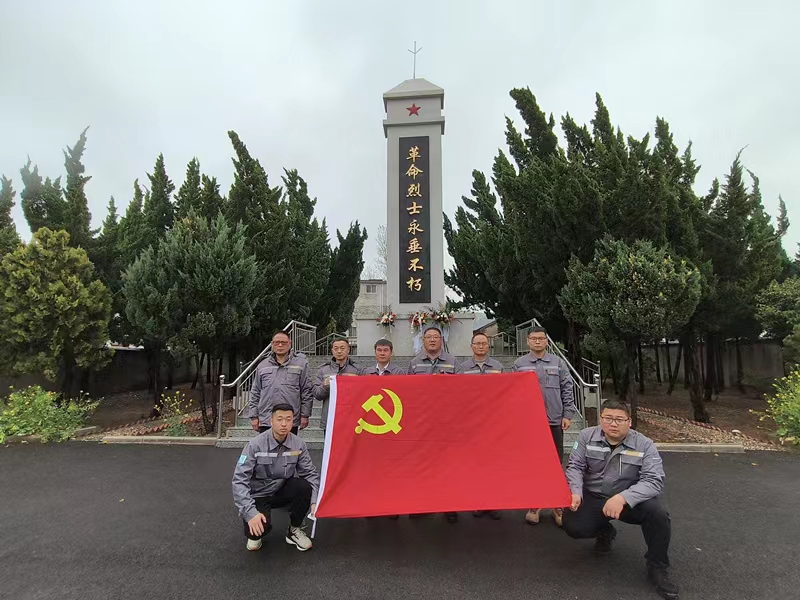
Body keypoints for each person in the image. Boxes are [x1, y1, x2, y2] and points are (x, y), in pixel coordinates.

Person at [562, 400, 678, 600]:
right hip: (594, 496)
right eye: (608, 418)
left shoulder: (645, 444)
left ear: (629, 421)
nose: (613, 424)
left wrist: (623, 498)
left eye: (619, 419)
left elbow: (653, 480)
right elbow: (575, 466)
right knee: (573, 525)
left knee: (658, 515)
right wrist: (575, 491)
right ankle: (605, 531)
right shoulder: (585, 436)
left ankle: (657, 567)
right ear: (600, 419)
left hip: (629, 499)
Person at [232, 403, 319, 553]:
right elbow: (239, 480)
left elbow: (310, 474)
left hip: (281, 490)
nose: (284, 424)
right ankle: (256, 528)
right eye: (279, 419)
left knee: (304, 487)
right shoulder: (254, 445)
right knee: (257, 534)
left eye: (288, 419)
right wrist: (250, 513)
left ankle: (294, 530)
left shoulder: (299, 444)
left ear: (293, 421)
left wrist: (315, 501)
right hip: (259, 494)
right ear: (271, 421)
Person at [512, 326, 577, 526]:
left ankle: (557, 505)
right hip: (530, 423)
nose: (538, 341)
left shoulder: (557, 362)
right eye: (534, 338)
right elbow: (513, 394)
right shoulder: (519, 364)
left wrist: (568, 414)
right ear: (528, 341)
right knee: (534, 464)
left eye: (541, 338)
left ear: (547, 341)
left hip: (554, 420)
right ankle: (536, 504)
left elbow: (567, 388)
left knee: (555, 463)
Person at [408, 325, 458, 523]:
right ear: (423, 341)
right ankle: (422, 504)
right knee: (423, 465)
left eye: (435, 337)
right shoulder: (414, 364)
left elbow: (462, 390)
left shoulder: (453, 362)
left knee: (447, 465)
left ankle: (449, 505)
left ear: (441, 340)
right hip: (422, 423)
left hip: (446, 422)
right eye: (428, 337)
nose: (432, 340)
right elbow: (408, 392)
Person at [457, 331, 505, 520]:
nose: (481, 346)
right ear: (471, 347)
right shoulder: (462, 368)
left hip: (493, 424)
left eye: (484, 343)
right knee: (475, 464)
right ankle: (478, 501)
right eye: (477, 343)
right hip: (472, 424)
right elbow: (458, 394)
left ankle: (493, 502)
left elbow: (506, 392)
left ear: (488, 346)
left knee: (493, 464)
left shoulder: (499, 367)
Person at [249, 330, 313, 435]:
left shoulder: (301, 364)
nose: (280, 345)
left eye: (283, 342)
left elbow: (306, 391)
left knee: (289, 446)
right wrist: (254, 416)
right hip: (266, 418)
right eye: (276, 342)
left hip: (289, 419)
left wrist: (305, 415)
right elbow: (255, 392)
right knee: (266, 446)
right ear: (272, 344)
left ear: (290, 343)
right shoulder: (262, 365)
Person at [313, 337, 360, 433]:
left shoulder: (357, 370)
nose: (339, 351)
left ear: (348, 349)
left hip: (351, 418)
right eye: (336, 348)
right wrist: (325, 386)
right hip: (330, 417)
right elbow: (317, 394)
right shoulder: (323, 370)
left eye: (342, 348)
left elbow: (363, 393)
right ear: (332, 350)